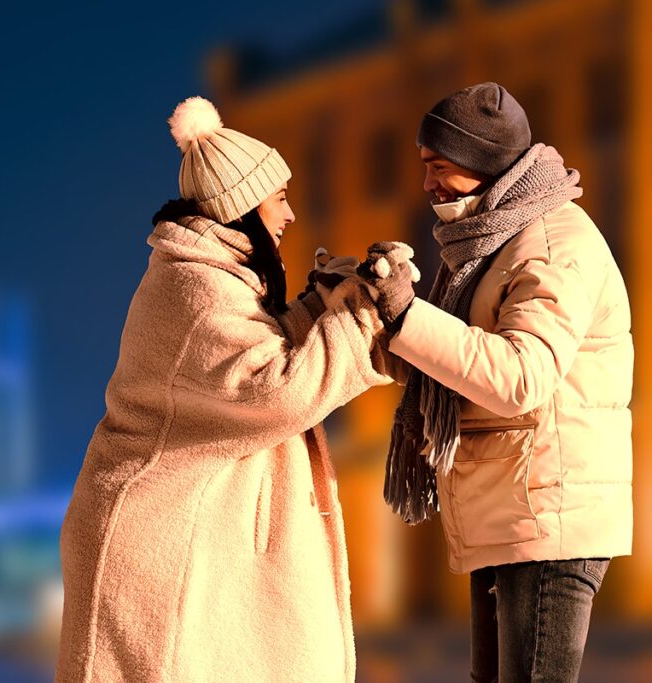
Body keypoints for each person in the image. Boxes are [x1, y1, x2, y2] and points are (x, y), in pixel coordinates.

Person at [55, 96, 397, 682]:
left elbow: (252, 356)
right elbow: (274, 391)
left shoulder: (211, 278)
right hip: (154, 544)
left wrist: (320, 306)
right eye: (280, 199)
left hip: (173, 527)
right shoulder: (194, 288)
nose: (289, 215)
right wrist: (358, 316)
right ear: (243, 205)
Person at [358, 82, 634, 683]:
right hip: (510, 508)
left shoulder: (553, 245)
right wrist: (371, 311)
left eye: (439, 165)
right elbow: (454, 364)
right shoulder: (494, 241)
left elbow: (519, 376)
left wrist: (408, 314)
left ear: (481, 158)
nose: (427, 182)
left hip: (548, 513)